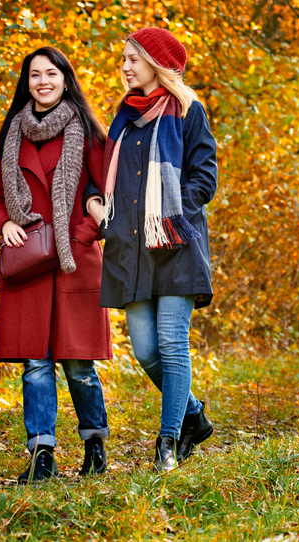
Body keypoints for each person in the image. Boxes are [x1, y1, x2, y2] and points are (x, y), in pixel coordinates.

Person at [85, 27, 217, 472]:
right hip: (131, 250)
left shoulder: (187, 109)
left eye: (133, 59)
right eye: (123, 59)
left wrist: (175, 212)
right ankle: (194, 416)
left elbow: (205, 176)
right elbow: (100, 176)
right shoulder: (123, 116)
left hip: (175, 244)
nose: (124, 67)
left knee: (172, 345)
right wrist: (97, 207)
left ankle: (168, 441)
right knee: (144, 350)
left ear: (156, 64)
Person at [0, 46, 113, 483]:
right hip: (29, 265)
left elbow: (104, 199)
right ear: (27, 82)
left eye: (51, 73)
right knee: (35, 364)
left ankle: (94, 442)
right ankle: (42, 453)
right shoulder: (11, 135)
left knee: (78, 365)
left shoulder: (89, 135)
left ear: (65, 79)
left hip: (75, 262)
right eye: (35, 74)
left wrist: (77, 238)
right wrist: (4, 225)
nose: (43, 81)